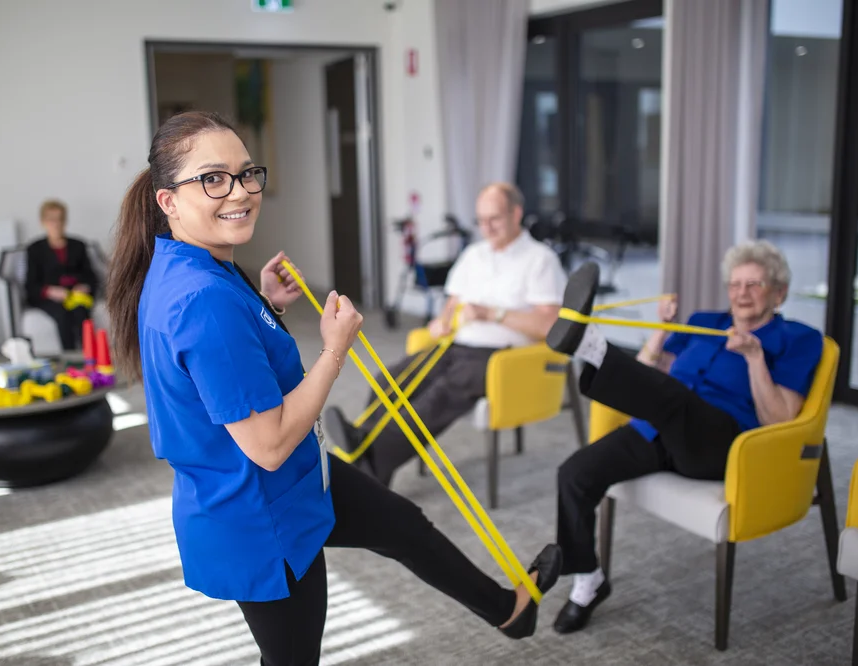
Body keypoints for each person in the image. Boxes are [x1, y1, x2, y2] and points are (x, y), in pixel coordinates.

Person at [104, 110, 561, 665]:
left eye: (247, 174)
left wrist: (267, 304)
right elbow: (268, 444)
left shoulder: (191, 265)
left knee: (401, 525)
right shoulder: (204, 297)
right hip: (262, 508)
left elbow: (223, 363)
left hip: (293, 474)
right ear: (168, 200)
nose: (240, 192)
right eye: (212, 178)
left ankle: (509, 611)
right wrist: (334, 349)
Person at [540, 240, 824, 635]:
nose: (741, 293)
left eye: (754, 284)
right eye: (735, 284)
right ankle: (588, 581)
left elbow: (780, 418)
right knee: (574, 473)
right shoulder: (702, 321)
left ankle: (591, 346)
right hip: (658, 426)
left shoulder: (799, 339)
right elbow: (644, 374)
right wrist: (658, 331)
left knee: (675, 396)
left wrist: (755, 358)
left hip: (720, 443)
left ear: (779, 293)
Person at [322, 182, 568, 487]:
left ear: (516, 213)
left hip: (501, 357)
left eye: (494, 219)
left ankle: (367, 460)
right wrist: (442, 321)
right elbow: (452, 302)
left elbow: (549, 325)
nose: (486, 227)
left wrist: (494, 314)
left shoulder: (540, 259)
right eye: (481, 220)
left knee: (435, 398)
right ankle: (366, 449)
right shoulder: (474, 255)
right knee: (390, 381)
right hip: (456, 345)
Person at [25, 200, 98, 351]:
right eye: (51, 219)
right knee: (62, 315)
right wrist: (50, 291)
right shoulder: (34, 249)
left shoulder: (78, 245)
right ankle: (70, 357)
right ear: (43, 222)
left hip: (75, 295)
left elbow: (90, 275)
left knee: (81, 312)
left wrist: (84, 286)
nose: (56, 224)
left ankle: (89, 355)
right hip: (49, 298)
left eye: (60, 219)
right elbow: (31, 284)